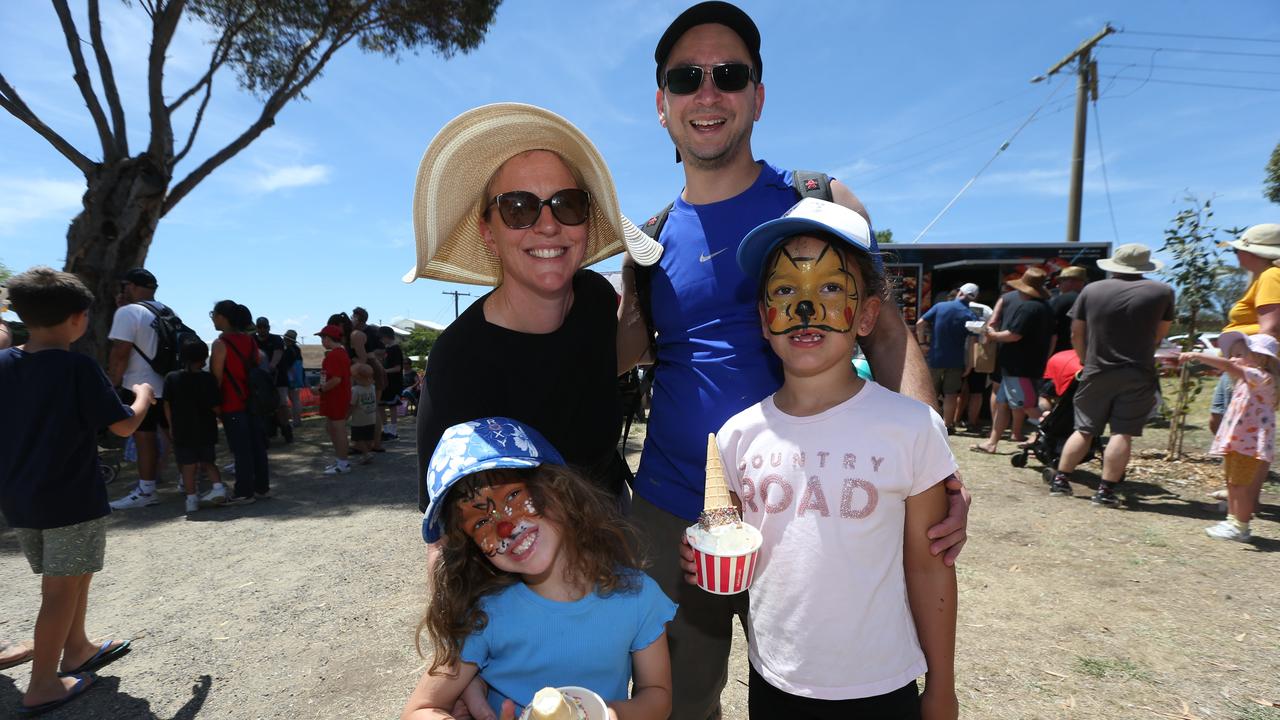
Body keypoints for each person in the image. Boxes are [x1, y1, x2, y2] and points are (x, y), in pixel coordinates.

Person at [612, 5, 970, 717]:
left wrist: (936, 471)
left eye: (729, 75)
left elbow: (890, 337)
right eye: (687, 78)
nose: (707, 93)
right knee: (679, 703)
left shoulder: (820, 201)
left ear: (758, 97)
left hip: (815, 508)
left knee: (819, 688)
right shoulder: (645, 241)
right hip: (674, 507)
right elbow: (619, 356)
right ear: (662, 105)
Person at [680, 199, 958, 718]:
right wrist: (708, 557)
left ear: (868, 314)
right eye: (785, 290)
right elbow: (746, 550)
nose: (805, 307)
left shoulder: (912, 427)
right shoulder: (738, 436)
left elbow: (929, 568)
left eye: (830, 287)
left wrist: (942, 683)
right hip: (775, 682)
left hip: (883, 684)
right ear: (764, 318)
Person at [408, 103, 644, 511]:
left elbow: (607, 364)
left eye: (567, 204)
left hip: (616, 534)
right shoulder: (458, 362)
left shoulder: (596, 298)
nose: (548, 225)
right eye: (518, 208)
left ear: (586, 221)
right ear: (488, 231)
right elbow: (448, 529)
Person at [402, 417, 675, 720]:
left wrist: (610, 715)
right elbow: (421, 709)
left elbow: (657, 696)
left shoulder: (637, 596)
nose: (505, 528)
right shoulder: (483, 615)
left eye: (513, 496)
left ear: (560, 489)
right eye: (480, 523)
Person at [1, 267, 150, 715]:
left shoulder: (4, 364)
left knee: (75, 574)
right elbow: (123, 424)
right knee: (60, 590)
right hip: (71, 497)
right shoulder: (77, 367)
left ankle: (79, 648)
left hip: (21, 497)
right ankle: (44, 682)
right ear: (79, 318)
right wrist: (142, 395)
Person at [1047, 244, 1174, 504]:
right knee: (1121, 432)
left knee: (1084, 429)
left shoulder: (1091, 290)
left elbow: (1076, 333)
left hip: (1096, 369)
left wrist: (1084, 359)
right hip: (1138, 371)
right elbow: (1160, 333)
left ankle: (1061, 480)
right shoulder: (1162, 292)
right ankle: (1105, 491)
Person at [1181, 331, 1277, 542]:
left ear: (1260, 357)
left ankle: (1241, 527)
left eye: (1238, 354)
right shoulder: (1247, 381)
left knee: (1240, 485)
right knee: (1233, 483)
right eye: (1231, 354)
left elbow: (1230, 367)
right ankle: (1232, 521)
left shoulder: (1261, 377)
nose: (1232, 359)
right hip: (1239, 441)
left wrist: (1198, 356)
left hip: (1249, 444)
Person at [972, 268, 1055, 455]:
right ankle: (992, 443)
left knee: (1026, 405)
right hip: (1021, 366)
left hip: (1019, 367)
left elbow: (1013, 335)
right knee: (1003, 404)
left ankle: (1053, 438)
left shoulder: (1029, 308)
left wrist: (992, 335)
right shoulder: (1045, 307)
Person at [107, 267, 170, 510]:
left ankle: (146, 490)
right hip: (166, 382)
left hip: (139, 384)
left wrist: (112, 381)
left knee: (144, 438)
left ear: (131, 286)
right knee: (171, 433)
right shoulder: (164, 309)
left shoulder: (128, 312)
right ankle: (190, 483)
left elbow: (120, 352)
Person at [211, 300, 270, 503]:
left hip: (232, 403)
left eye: (213, 314)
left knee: (240, 450)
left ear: (222, 317)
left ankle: (244, 491)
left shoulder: (220, 345)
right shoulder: (250, 341)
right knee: (257, 446)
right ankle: (262, 487)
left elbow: (216, 379)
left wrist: (214, 405)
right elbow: (256, 364)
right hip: (252, 401)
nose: (212, 318)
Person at [163, 340, 228, 513]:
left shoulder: (172, 378)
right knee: (208, 462)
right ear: (204, 358)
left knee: (188, 466)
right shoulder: (208, 379)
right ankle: (218, 488)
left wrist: (171, 426)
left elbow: (167, 404)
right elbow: (215, 405)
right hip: (206, 427)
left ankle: (191, 500)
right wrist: (221, 416)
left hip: (182, 429)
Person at [917, 282, 980, 433]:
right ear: (974, 299)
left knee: (930, 392)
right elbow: (972, 343)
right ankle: (947, 425)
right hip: (956, 361)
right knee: (951, 394)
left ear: (960, 292)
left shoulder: (940, 307)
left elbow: (920, 324)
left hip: (935, 357)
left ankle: (927, 424)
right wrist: (970, 364)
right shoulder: (970, 315)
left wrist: (921, 343)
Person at [317, 324, 353, 475]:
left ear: (328, 338)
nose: (321, 341)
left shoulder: (334, 355)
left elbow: (336, 379)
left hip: (336, 397)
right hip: (338, 397)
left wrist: (320, 389)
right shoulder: (340, 353)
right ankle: (340, 460)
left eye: (322, 338)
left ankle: (343, 463)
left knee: (338, 430)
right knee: (332, 428)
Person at [351, 308, 387, 451]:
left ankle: (373, 443)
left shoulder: (369, 332)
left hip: (370, 371)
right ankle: (371, 443)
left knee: (372, 408)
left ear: (359, 318)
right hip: (372, 369)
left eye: (353, 316)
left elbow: (382, 350)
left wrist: (367, 357)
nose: (351, 318)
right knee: (372, 409)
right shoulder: (369, 331)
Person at [254, 316, 293, 443]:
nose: (262, 329)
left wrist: (272, 365)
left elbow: (278, 354)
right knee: (261, 405)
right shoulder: (252, 339)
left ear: (269, 328)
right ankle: (265, 431)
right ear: (256, 328)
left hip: (278, 377)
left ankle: (286, 427)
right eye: (259, 327)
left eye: (264, 327)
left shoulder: (276, 339)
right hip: (260, 380)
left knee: (281, 404)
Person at [1049, 266, 1087, 354]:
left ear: (1071, 281)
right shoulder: (1088, 298)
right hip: (1081, 349)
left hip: (1060, 350)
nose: (1058, 285)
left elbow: (1050, 326)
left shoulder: (1062, 299)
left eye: (1061, 281)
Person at [378, 326, 405, 440]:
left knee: (392, 406)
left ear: (386, 336)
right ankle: (386, 430)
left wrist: (384, 371)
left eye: (381, 337)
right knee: (380, 405)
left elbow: (398, 368)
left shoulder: (395, 349)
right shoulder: (385, 349)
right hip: (384, 382)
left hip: (393, 382)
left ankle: (393, 431)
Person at [349, 363, 378, 464]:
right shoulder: (372, 388)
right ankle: (367, 452)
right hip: (371, 417)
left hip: (358, 420)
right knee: (368, 437)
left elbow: (352, 404)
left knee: (357, 439)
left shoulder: (355, 390)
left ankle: (366, 454)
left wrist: (347, 415)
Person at [282, 329, 306, 427]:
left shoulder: (288, 351)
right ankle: (298, 420)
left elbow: (286, 365)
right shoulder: (297, 349)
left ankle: (296, 421)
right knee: (296, 399)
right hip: (298, 377)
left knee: (294, 400)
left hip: (290, 378)